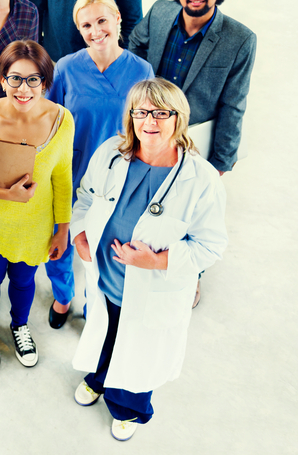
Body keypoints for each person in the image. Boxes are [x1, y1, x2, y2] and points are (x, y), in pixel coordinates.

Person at [70, 78, 227, 442]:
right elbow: (86, 196)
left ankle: (129, 409)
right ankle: (98, 378)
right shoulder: (111, 152)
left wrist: (156, 262)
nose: (149, 121)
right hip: (106, 281)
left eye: (160, 112)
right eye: (140, 112)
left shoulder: (201, 179)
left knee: (139, 354)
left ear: (179, 118)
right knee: (105, 337)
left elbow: (210, 245)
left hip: (153, 293)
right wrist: (80, 232)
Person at [46, 0, 153, 326]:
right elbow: (49, 122)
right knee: (60, 242)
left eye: (102, 20)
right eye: (86, 25)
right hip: (71, 173)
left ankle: (95, 305)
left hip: (119, 177)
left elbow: (148, 126)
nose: (96, 31)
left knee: (104, 246)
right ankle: (63, 297)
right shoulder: (66, 68)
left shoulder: (141, 70)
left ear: (118, 18)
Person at [0, 41, 73, 372]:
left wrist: (62, 230)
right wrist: (7, 194)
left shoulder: (62, 120)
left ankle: (20, 325)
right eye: (15, 78)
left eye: (33, 79)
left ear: (45, 81)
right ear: (1, 79)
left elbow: (63, 178)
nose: (23, 89)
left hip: (35, 227)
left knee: (25, 282)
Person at [128, 0, 255, 175]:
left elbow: (233, 106)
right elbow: (135, 44)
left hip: (193, 145)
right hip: (146, 134)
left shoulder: (241, 40)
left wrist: (221, 164)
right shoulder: (159, 12)